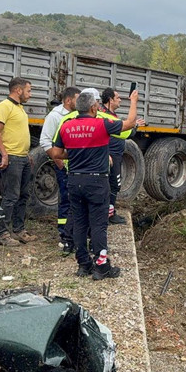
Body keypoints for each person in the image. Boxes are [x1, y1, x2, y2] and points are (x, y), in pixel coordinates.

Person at [49, 88, 138, 280]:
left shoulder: (66, 126)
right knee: (98, 225)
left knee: (79, 223)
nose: (98, 107)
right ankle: (102, 266)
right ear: (92, 107)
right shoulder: (101, 124)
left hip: (74, 179)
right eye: (96, 105)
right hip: (97, 181)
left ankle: (83, 264)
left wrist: (74, 154)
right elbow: (130, 123)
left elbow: (56, 153)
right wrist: (133, 101)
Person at [0, 77, 36, 246]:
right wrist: (4, 154)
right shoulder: (4, 106)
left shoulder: (20, 108)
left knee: (23, 195)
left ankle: (18, 230)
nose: (30, 94)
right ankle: (2, 234)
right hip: (12, 158)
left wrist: (26, 153)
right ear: (18, 90)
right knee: (10, 196)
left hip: (22, 157)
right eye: (28, 90)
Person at [39, 86, 81, 254]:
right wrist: (58, 161)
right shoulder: (55, 116)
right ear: (68, 100)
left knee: (76, 202)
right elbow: (45, 141)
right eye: (78, 99)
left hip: (77, 168)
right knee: (66, 200)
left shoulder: (77, 115)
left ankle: (75, 232)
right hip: (65, 167)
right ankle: (64, 235)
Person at [99, 88, 145, 225]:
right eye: (117, 97)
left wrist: (134, 126)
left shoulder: (112, 116)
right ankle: (109, 216)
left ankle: (109, 213)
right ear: (110, 100)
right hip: (110, 157)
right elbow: (125, 133)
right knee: (111, 185)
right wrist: (134, 124)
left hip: (115, 156)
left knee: (114, 186)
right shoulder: (106, 117)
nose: (120, 100)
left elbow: (126, 132)